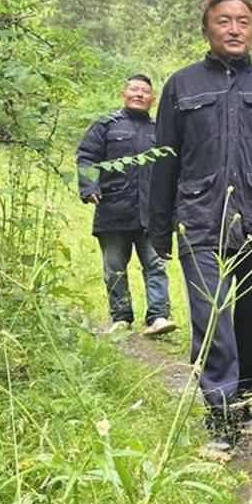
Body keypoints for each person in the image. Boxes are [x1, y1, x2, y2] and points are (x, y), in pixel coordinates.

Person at [149, 0, 252, 452]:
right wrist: (159, 231)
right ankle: (222, 417)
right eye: (224, 21)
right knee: (213, 321)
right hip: (199, 220)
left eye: (243, 21)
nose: (234, 28)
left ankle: (246, 396)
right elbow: (164, 161)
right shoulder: (181, 86)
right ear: (207, 30)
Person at [76, 74, 176, 337]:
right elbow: (87, 156)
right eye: (134, 89)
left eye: (145, 91)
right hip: (113, 209)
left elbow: (174, 168)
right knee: (114, 268)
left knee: (156, 265)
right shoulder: (106, 126)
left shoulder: (161, 130)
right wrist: (89, 187)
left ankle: (159, 317)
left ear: (153, 98)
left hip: (152, 213)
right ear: (124, 94)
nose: (139, 94)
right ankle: (121, 318)